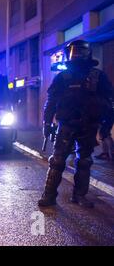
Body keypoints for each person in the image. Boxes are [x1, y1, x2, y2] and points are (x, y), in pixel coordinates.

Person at [38, 40, 114, 208]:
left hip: (89, 125)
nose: (77, 54)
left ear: (88, 53)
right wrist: (47, 122)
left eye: (80, 51)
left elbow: (110, 101)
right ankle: (49, 195)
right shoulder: (63, 77)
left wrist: (106, 126)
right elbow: (51, 101)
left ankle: (79, 195)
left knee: (85, 161)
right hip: (67, 124)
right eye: (74, 51)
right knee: (57, 161)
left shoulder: (98, 76)